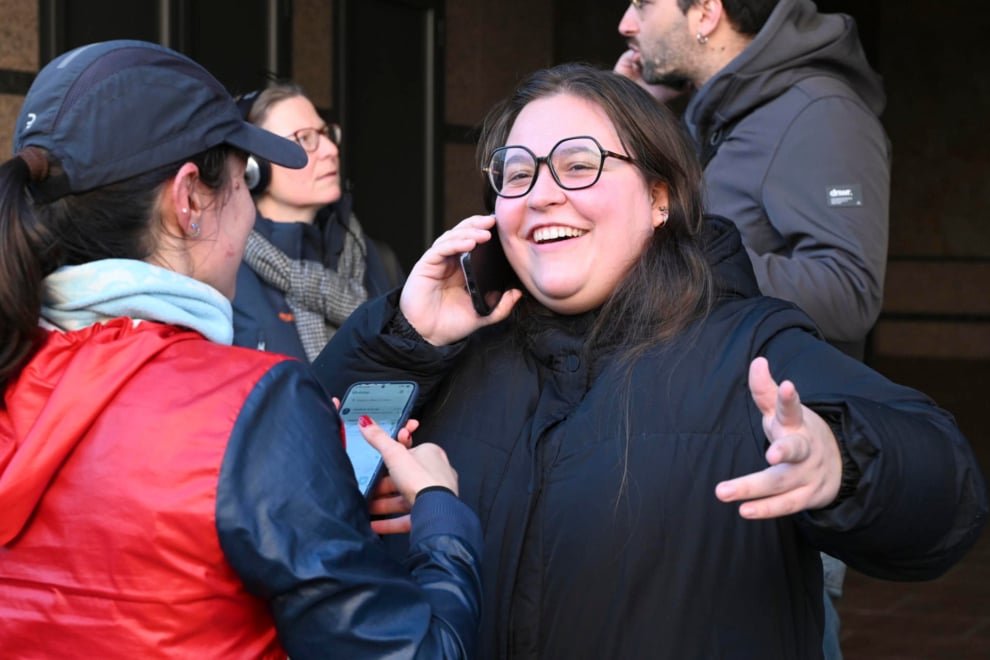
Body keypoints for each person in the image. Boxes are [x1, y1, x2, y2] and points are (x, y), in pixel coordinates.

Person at [313, 63, 987, 659]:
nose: (542, 193)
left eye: (579, 165)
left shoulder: (747, 347)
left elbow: (949, 496)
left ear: (660, 198)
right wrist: (406, 334)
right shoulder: (451, 356)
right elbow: (300, 472)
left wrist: (844, 465)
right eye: (517, 173)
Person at [0, 40, 481, 658]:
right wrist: (444, 520)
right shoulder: (253, 402)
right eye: (242, 181)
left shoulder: (21, 363)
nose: (249, 214)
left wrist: (323, 512)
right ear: (189, 200)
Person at [614, 2, 891, 651]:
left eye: (643, 5)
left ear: (705, 12)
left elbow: (850, 291)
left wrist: (678, 258)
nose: (627, 23)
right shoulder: (715, 114)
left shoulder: (819, 112)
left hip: (775, 473)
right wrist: (627, 117)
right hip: (696, 461)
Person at [233, 82, 403, 362]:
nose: (330, 149)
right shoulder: (226, 272)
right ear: (254, 167)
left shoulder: (377, 261)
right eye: (305, 138)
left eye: (326, 134)